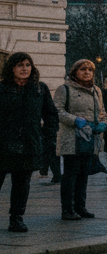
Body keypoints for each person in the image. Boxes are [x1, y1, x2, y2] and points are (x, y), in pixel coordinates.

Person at [0, 52, 58, 232]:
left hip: (28, 144)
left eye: (27, 65)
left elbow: (51, 115)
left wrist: (47, 136)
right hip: (3, 144)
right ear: (11, 68)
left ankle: (16, 218)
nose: (24, 69)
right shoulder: (2, 88)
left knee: (22, 184)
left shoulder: (39, 88)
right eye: (19, 65)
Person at [53, 59, 107, 220]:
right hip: (72, 138)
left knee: (84, 173)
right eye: (83, 69)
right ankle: (67, 209)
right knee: (71, 174)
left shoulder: (96, 91)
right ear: (75, 72)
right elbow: (57, 110)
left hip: (90, 138)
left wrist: (104, 124)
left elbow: (102, 113)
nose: (86, 72)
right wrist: (75, 120)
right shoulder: (65, 89)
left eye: (90, 70)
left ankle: (80, 206)